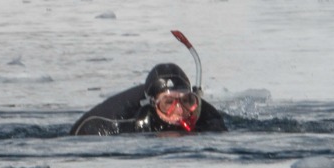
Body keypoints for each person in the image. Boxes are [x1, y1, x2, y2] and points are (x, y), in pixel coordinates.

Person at [72, 59, 227, 136]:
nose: (180, 110)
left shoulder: (208, 116)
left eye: (187, 101)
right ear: (153, 105)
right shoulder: (118, 123)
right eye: (168, 103)